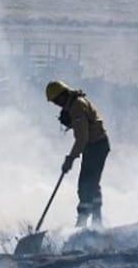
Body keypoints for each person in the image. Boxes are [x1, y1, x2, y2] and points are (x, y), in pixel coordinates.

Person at [45, 80, 110, 229]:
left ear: (62, 95)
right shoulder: (75, 104)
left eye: (56, 101)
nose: (56, 104)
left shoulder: (77, 107)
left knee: (86, 185)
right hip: (94, 146)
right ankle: (96, 221)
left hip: (96, 146)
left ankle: (82, 223)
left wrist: (70, 159)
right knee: (92, 183)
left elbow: (82, 138)